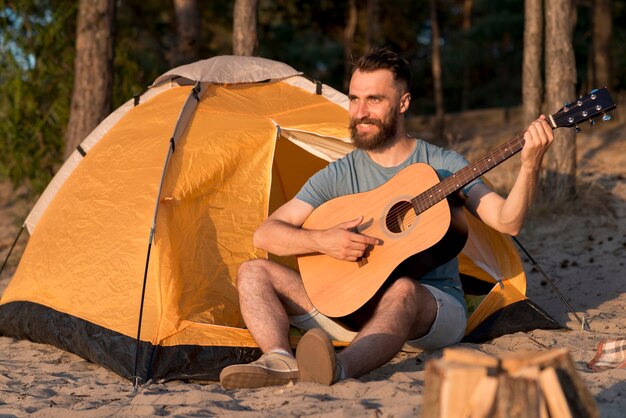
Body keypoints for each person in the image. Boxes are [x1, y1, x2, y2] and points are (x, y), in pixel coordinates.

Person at [219, 48, 554, 389]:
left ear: (403, 103)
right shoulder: (338, 173)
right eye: (354, 99)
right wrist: (322, 240)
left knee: (403, 288)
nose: (360, 112)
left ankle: (336, 368)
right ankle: (280, 360)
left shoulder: (443, 166)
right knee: (253, 271)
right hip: (350, 309)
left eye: (374, 99)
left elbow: (507, 221)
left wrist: (530, 165)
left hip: (429, 312)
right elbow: (266, 234)